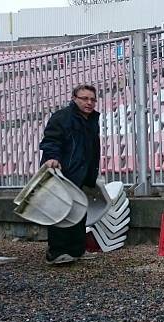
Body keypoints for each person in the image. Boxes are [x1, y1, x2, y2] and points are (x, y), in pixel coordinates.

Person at [39, 84, 101, 265]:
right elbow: (51, 140)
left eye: (92, 99)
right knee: (60, 212)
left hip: (81, 172)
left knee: (79, 210)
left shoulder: (91, 120)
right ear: (74, 98)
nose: (89, 103)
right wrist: (51, 158)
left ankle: (76, 249)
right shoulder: (62, 117)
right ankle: (56, 252)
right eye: (84, 98)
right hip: (63, 171)